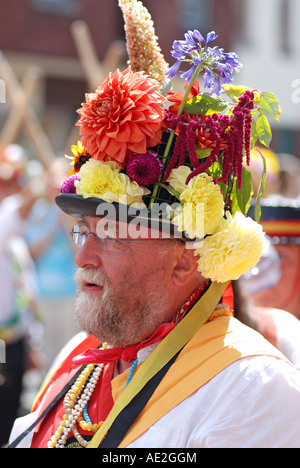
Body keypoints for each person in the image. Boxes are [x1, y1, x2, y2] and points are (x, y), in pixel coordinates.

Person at [8, 2, 300, 449]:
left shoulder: (254, 387)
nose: (83, 255)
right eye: (84, 229)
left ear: (184, 261)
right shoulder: (76, 356)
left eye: (110, 234)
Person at [0, 144, 44, 447]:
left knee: (9, 420)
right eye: (5, 183)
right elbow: (22, 204)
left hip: (15, 343)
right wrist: (40, 185)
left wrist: (31, 342)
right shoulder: (5, 223)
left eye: (15, 183)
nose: (12, 190)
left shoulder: (15, 243)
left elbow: (26, 294)